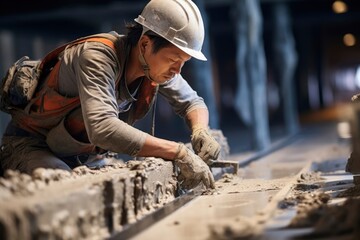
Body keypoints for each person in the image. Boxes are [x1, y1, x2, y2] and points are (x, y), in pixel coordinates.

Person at [0, 0, 220, 190]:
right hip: (31, 145)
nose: (178, 70)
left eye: (184, 62)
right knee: (70, 192)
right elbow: (102, 127)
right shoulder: (97, 57)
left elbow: (192, 102)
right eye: (174, 60)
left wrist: (200, 130)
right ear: (145, 44)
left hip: (80, 153)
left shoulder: (154, 67)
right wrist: (179, 152)